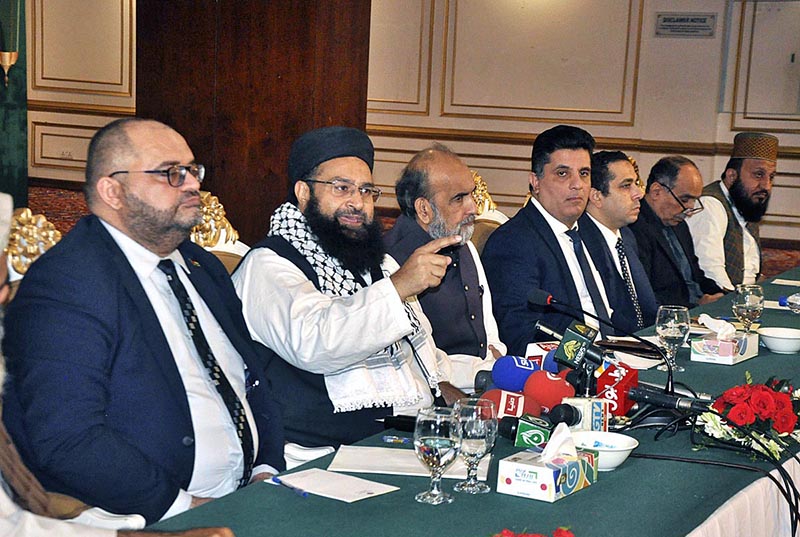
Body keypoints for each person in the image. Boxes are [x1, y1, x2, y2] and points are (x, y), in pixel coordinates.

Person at [2, 119, 285, 526]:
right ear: (112, 191)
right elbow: (68, 437)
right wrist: (182, 508)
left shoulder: (201, 265)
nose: (193, 185)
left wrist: (266, 467)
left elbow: (251, 376)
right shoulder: (68, 282)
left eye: (193, 170)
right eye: (171, 173)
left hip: (251, 495)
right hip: (150, 517)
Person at [233, 126, 464, 453]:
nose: (357, 202)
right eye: (342, 188)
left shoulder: (378, 264)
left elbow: (422, 355)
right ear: (303, 192)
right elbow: (316, 342)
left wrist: (475, 380)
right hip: (312, 456)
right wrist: (398, 287)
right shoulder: (269, 265)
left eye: (367, 191)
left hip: (393, 442)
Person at [482, 125, 613, 355]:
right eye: (563, 174)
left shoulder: (590, 232)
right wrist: (590, 358)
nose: (577, 184)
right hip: (567, 367)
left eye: (584, 173)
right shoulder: (513, 242)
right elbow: (520, 336)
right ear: (535, 182)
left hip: (615, 353)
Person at [384, 144, 506, 389]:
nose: (473, 208)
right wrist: (481, 372)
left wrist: (496, 361)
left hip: (486, 383)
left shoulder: (465, 244)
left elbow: (489, 330)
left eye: (471, 195)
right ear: (424, 209)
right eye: (459, 199)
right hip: (434, 395)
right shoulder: (390, 262)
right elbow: (415, 362)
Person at [629, 156, 724, 308]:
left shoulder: (680, 225)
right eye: (685, 200)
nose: (690, 208)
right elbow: (645, 296)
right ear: (656, 191)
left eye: (694, 200)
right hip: (674, 314)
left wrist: (724, 296)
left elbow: (697, 276)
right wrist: (697, 307)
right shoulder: (634, 227)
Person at [578, 151, 657, 333]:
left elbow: (645, 306)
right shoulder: (581, 242)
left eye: (636, 184)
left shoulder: (627, 236)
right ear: (596, 196)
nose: (639, 194)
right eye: (626, 186)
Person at [687, 132, 779, 290]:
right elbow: (712, 277)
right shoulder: (710, 206)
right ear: (731, 176)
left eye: (771, 177)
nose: (766, 186)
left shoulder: (746, 203)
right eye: (758, 175)